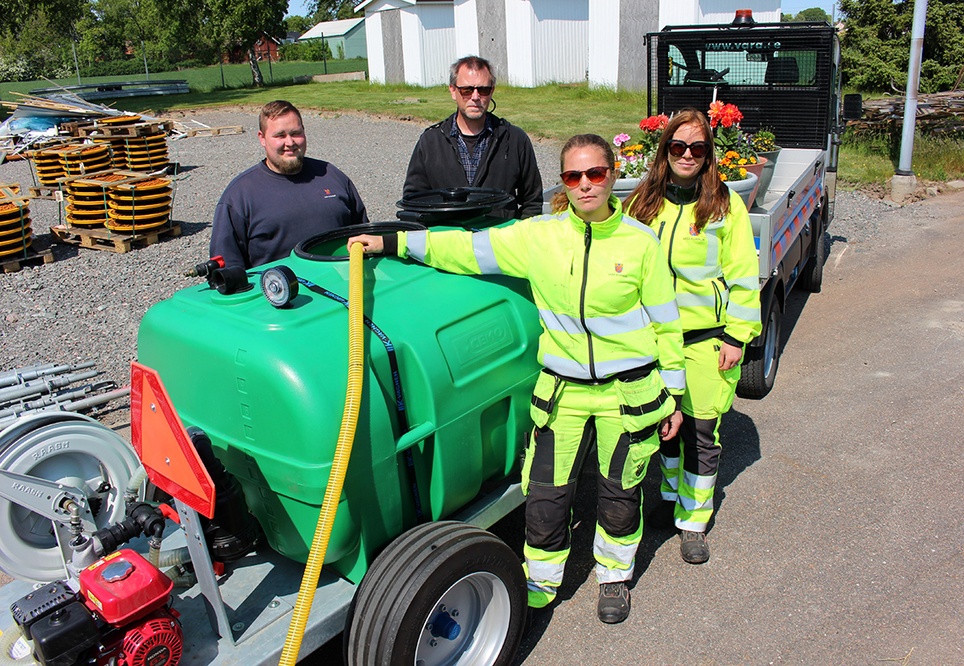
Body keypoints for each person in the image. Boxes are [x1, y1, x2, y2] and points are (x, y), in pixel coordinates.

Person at [351, 134, 685, 624]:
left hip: (626, 394)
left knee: (619, 495)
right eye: (574, 176)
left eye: (595, 173)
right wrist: (393, 242)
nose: (585, 184)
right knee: (546, 498)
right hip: (564, 393)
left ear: (613, 175)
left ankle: (614, 579)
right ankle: (539, 584)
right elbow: (465, 249)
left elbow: (666, 322)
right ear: (564, 183)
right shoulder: (538, 237)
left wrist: (673, 394)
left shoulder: (641, 243)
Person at [624, 108, 762, 565]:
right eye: (678, 146)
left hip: (706, 340)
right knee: (665, 428)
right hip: (654, 342)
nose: (687, 155)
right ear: (664, 150)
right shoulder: (643, 202)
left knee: (702, 432)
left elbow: (744, 277)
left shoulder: (725, 206)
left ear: (708, 155)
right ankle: (669, 498)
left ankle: (694, 520)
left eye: (697, 148)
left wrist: (737, 337)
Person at [209, 100, 369, 270]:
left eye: (295, 133)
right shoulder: (240, 195)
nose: (290, 142)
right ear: (262, 138)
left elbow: (365, 239)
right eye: (280, 136)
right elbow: (228, 269)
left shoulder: (332, 176)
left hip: (341, 287)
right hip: (281, 294)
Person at [402, 56, 543, 218]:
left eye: (483, 90)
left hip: (499, 240)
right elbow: (413, 201)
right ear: (453, 91)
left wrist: (517, 238)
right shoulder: (431, 142)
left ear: (492, 91)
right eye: (467, 90)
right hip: (448, 240)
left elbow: (532, 201)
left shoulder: (515, 139)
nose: (475, 97)